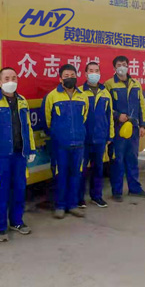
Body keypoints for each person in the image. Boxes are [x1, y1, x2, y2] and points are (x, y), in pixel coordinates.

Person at [0, 67, 36, 242]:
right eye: (6, 78)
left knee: (19, 189)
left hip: (20, 154)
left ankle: (17, 222)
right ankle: (0, 227)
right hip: (1, 156)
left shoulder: (22, 101)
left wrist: (31, 149)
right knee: (1, 192)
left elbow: (27, 127)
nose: (10, 81)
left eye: (13, 78)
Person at [45, 64, 89, 219]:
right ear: (60, 79)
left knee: (76, 175)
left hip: (79, 144)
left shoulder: (83, 96)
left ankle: (73, 205)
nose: (70, 78)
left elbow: (84, 117)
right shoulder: (52, 96)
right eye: (66, 76)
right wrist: (59, 134)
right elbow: (48, 120)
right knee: (60, 175)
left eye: (72, 75)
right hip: (60, 145)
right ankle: (60, 206)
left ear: (76, 77)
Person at [105, 56, 145, 201]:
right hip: (118, 129)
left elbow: (141, 105)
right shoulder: (109, 84)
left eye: (124, 64)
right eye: (119, 65)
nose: (122, 67)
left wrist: (143, 125)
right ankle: (117, 192)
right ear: (114, 68)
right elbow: (106, 107)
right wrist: (117, 115)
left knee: (132, 159)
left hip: (133, 128)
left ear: (128, 66)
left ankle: (135, 189)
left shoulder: (135, 84)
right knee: (117, 160)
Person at [79, 62, 114, 208]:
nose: (94, 73)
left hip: (100, 137)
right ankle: (79, 198)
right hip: (83, 138)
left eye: (96, 71)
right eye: (91, 71)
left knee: (98, 168)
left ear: (100, 73)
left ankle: (96, 196)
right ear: (85, 74)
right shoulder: (80, 92)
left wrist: (110, 135)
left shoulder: (105, 93)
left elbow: (109, 115)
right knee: (80, 169)